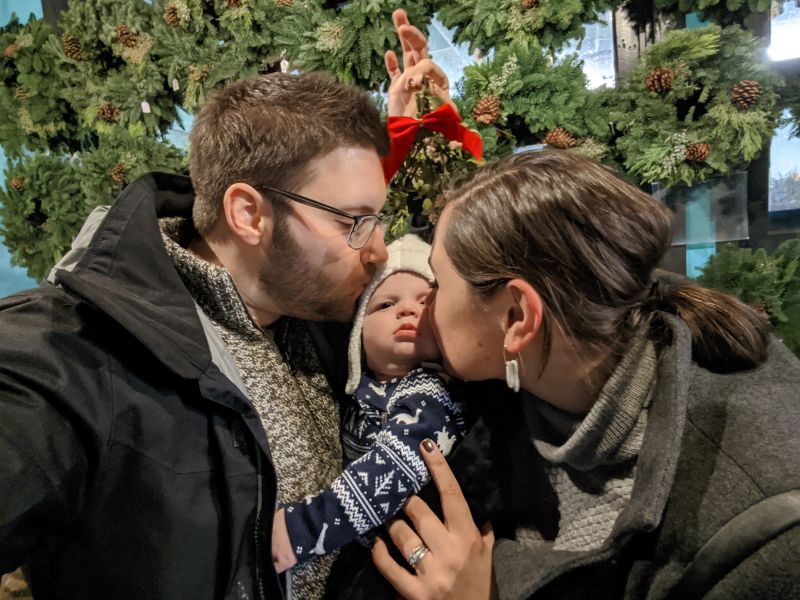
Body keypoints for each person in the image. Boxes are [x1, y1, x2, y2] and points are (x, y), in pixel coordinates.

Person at [0, 10, 442, 598]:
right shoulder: (65, 359)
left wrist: (426, 123)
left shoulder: (315, 310)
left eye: (376, 220)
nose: (381, 252)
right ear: (249, 214)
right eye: (356, 223)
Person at [367, 149, 800, 599]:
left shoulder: (765, 532)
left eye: (437, 281)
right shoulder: (528, 376)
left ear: (517, 317)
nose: (425, 305)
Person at [270, 234, 465, 572]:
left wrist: (298, 530)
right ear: (358, 333)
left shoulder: (431, 395)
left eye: (425, 302)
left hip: (410, 560)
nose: (407, 309)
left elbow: (388, 473)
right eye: (385, 305)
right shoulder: (361, 387)